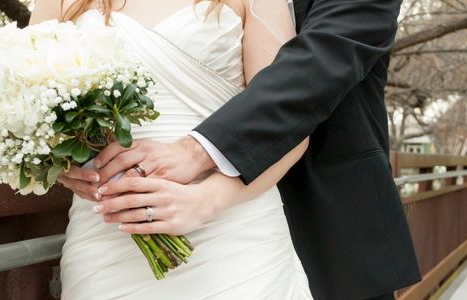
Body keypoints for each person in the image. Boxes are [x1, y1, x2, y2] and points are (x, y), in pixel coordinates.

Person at [55, 0, 423, 299]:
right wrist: (61, 160)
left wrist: (199, 165)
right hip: (108, 238)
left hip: (307, 225)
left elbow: (316, 67)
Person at [31, 0, 314, 298]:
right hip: (107, 237)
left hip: (233, 234)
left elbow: (288, 124)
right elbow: (28, 108)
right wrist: (60, 164)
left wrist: (206, 200)